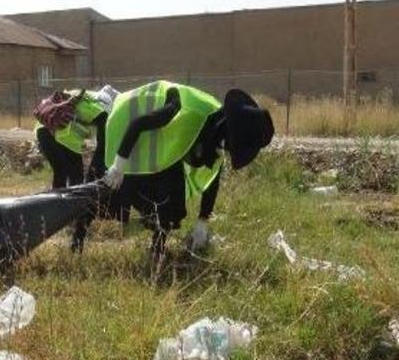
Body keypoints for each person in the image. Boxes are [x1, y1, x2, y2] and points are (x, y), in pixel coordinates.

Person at [99, 81, 274, 265]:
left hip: (161, 151)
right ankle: (77, 237)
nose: (227, 152)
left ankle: (157, 251)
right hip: (123, 124)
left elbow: (213, 176)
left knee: (173, 206)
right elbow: (137, 124)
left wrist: (203, 221)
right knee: (112, 200)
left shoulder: (218, 132)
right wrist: (119, 166)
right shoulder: (185, 111)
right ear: (227, 131)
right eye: (231, 147)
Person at [32, 85, 121, 251]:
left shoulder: (83, 96)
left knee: (59, 172)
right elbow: (103, 148)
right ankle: (74, 222)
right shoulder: (102, 111)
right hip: (65, 137)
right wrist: (101, 172)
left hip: (42, 130)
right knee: (78, 183)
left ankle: (55, 216)